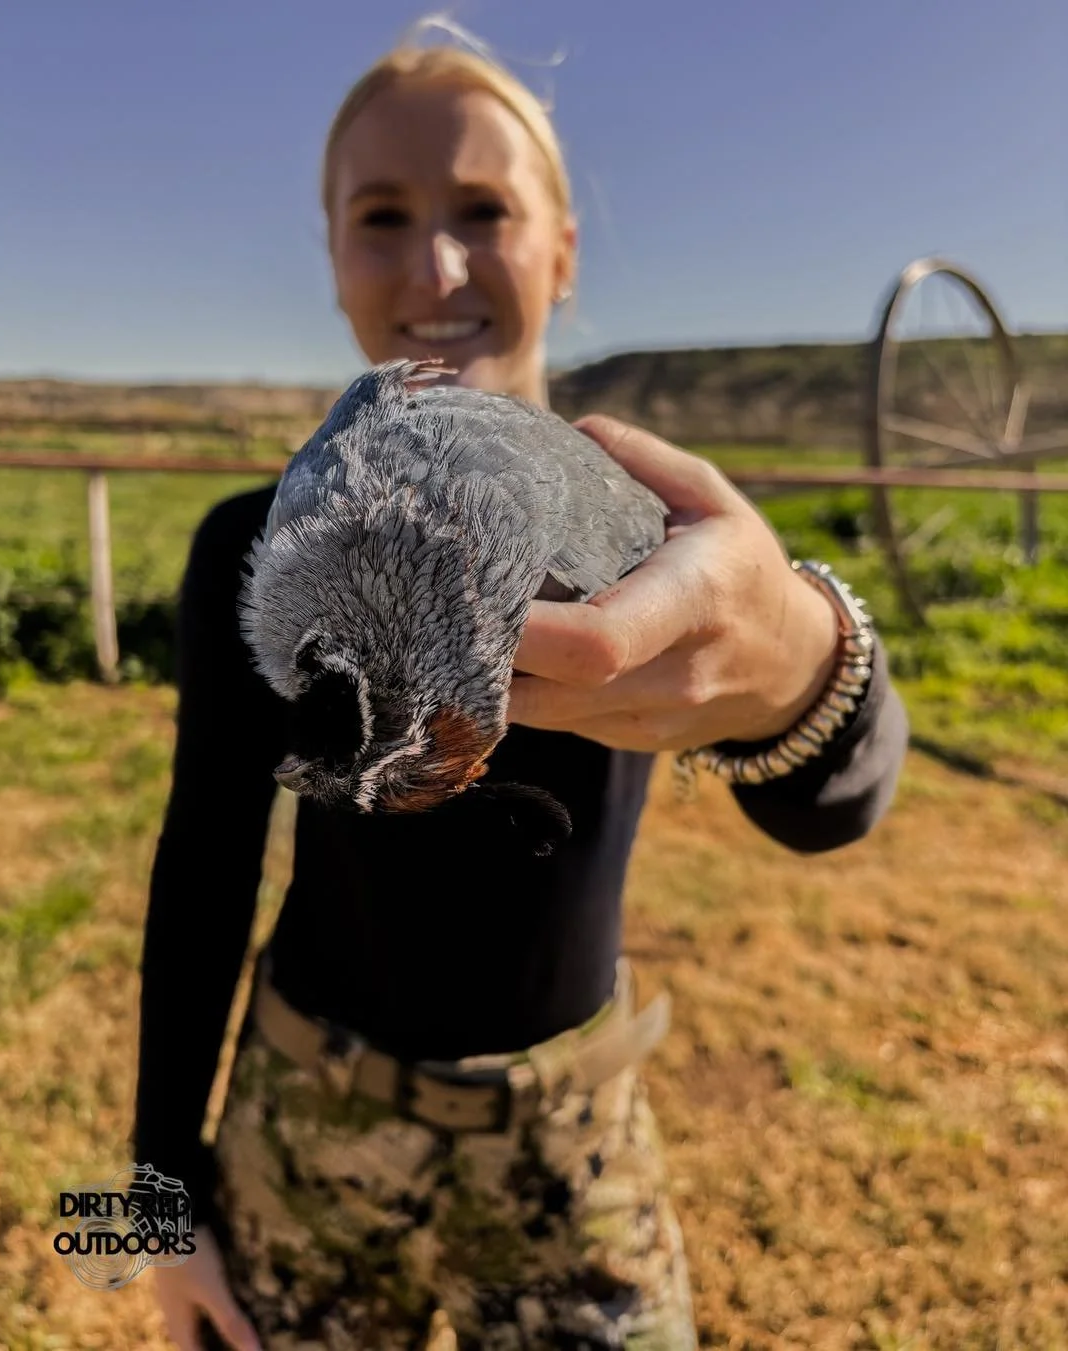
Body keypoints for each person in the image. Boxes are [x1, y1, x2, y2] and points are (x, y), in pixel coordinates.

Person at [132, 25, 909, 1351]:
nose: (436, 263)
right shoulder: (256, 547)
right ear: (330, 258)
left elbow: (832, 806)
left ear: (562, 248)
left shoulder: (654, 540)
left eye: (484, 211)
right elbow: (203, 862)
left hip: (573, 1141)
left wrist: (796, 646)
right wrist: (154, 1201)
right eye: (382, 216)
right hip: (305, 1133)